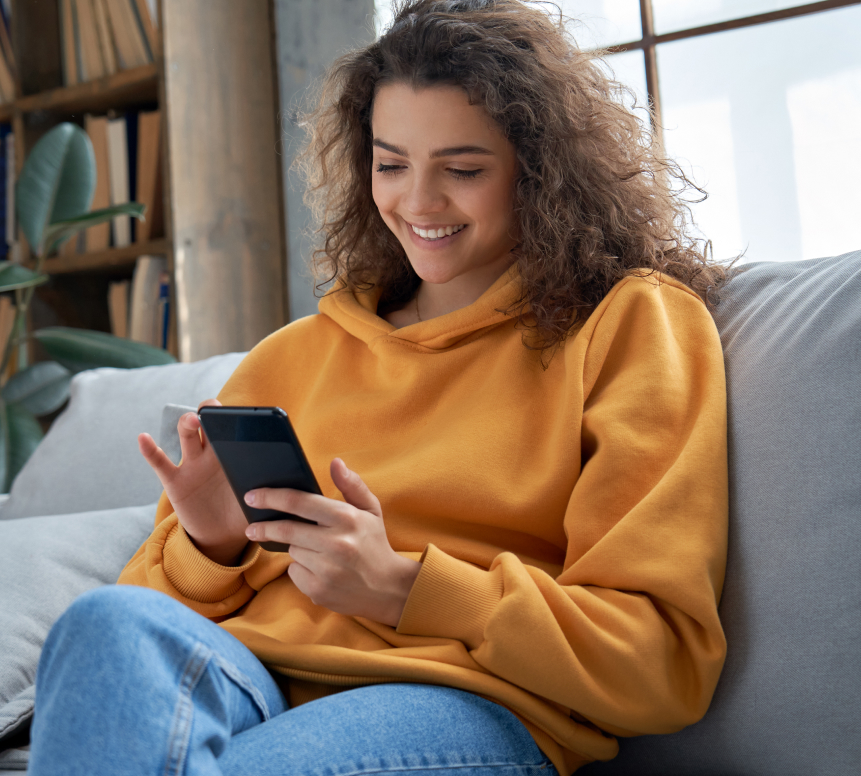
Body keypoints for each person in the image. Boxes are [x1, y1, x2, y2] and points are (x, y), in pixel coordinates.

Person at [27, 1, 740, 774]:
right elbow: (156, 617)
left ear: (540, 172)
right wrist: (214, 542)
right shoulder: (292, 356)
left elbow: (659, 664)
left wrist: (403, 587)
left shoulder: (629, 323)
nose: (418, 203)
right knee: (103, 624)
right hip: (249, 675)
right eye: (391, 164)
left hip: (461, 698)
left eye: (462, 170)